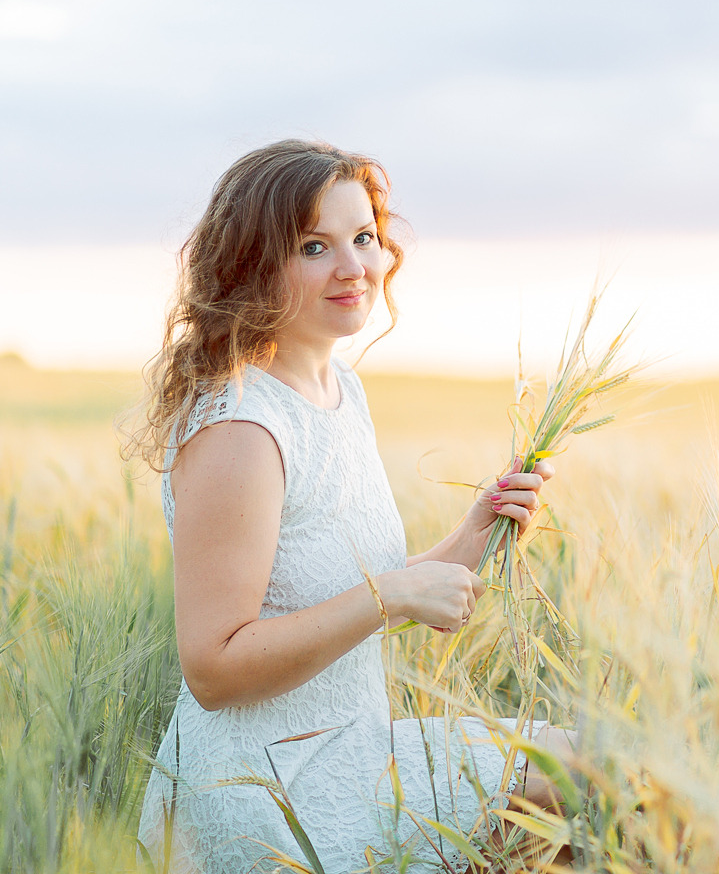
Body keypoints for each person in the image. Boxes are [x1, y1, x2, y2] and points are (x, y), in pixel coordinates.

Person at [128, 139, 571, 873]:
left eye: (363, 237)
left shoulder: (340, 391)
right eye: (314, 246)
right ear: (252, 265)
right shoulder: (240, 428)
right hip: (273, 794)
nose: (354, 267)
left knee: (584, 778)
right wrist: (390, 595)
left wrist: (476, 532)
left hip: (356, 748)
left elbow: (353, 591)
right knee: (574, 776)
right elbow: (213, 666)